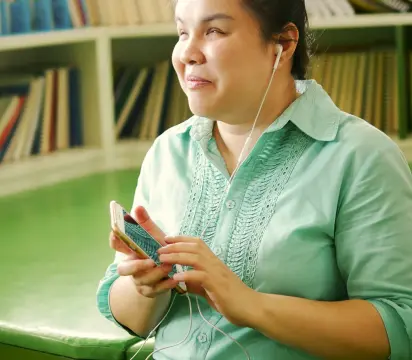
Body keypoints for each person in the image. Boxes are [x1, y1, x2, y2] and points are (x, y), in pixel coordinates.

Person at [96, 0, 412, 358]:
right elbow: (129, 319)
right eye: (183, 32)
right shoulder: (167, 151)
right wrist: (145, 285)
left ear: (284, 43)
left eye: (214, 30)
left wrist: (250, 305)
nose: (187, 53)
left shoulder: (362, 155)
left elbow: (400, 326)